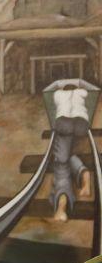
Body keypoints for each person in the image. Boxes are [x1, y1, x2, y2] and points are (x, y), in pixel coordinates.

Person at [50, 82, 92, 222]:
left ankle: (61, 208)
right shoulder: (81, 92)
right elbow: (93, 88)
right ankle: (84, 175)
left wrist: (58, 84)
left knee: (61, 163)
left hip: (64, 124)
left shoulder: (58, 94)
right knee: (68, 155)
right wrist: (80, 83)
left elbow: (49, 89)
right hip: (81, 124)